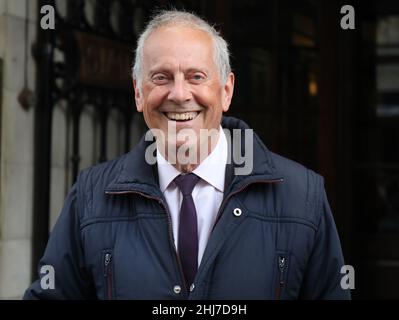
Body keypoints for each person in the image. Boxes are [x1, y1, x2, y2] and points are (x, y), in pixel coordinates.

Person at [24, 10, 351, 300]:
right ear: (139, 93)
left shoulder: (301, 195)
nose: (179, 94)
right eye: (161, 77)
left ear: (226, 91)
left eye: (196, 77)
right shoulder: (91, 197)